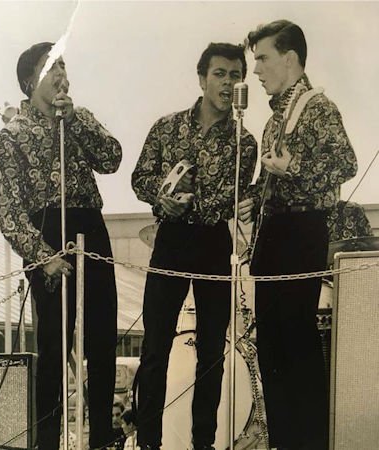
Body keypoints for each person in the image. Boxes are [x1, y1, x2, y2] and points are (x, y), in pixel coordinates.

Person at [0, 42, 122, 450]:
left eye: (64, 66)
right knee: (53, 347)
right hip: (44, 231)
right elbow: (11, 215)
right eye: (52, 69)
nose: (62, 75)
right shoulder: (9, 137)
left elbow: (112, 158)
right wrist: (42, 256)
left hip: (90, 227)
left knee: (101, 344)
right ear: (30, 80)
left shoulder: (78, 120)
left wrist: (75, 122)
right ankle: (47, 441)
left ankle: (100, 438)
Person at [131, 43, 257, 450]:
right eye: (220, 73)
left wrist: (199, 203)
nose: (228, 82)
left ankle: (203, 443)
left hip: (211, 243)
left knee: (211, 354)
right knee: (154, 349)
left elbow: (230, 198)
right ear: (202, 78)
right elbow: (140, 177)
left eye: (236, 75)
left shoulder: (246, 143)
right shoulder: (166, 127)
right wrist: (162, 196)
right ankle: (149, 441)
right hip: (170, 241)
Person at [238, 20, 357, 449]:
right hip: (274, 237)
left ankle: (307, 441)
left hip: (301, 234)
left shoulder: (317, 107)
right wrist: (252, 197)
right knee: (273, 346)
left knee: (295, 342)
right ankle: (286, 440)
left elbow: (345, 163)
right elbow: (269, 178)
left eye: (263, 59)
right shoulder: (275, 119)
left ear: (289, 59)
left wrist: (296, 169)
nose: (256, 70)